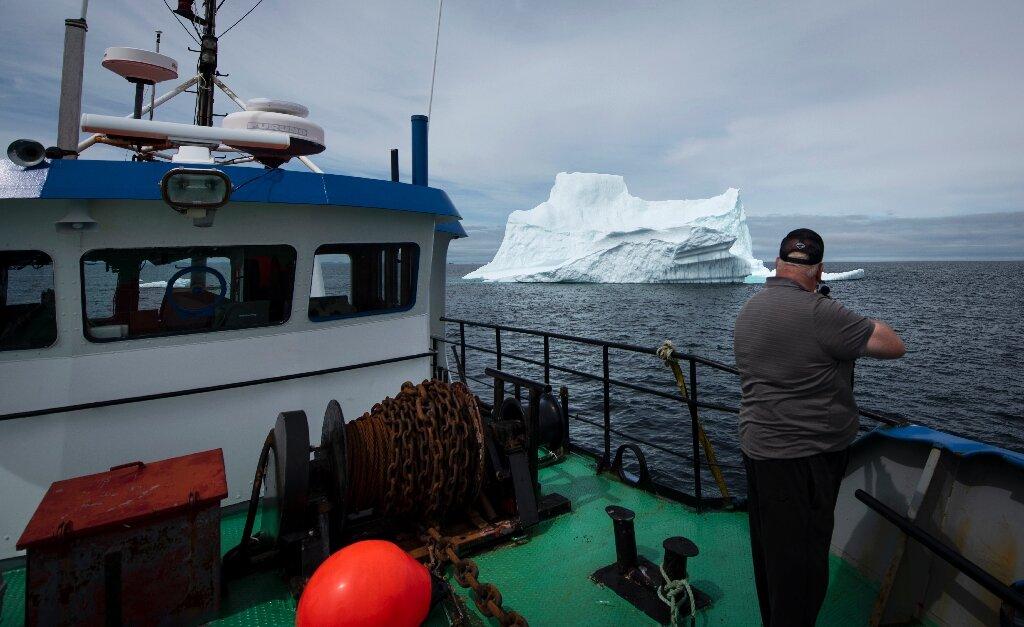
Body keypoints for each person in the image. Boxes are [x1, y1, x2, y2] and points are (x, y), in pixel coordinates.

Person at [733, 228, 905, 627]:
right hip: (807, 462)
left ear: (777, 264)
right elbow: (894, 345)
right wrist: (847, 314)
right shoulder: (823, 314)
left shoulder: (748, 312)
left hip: (758, 452)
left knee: (772, 558)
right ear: (820, 271)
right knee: (804, 568)